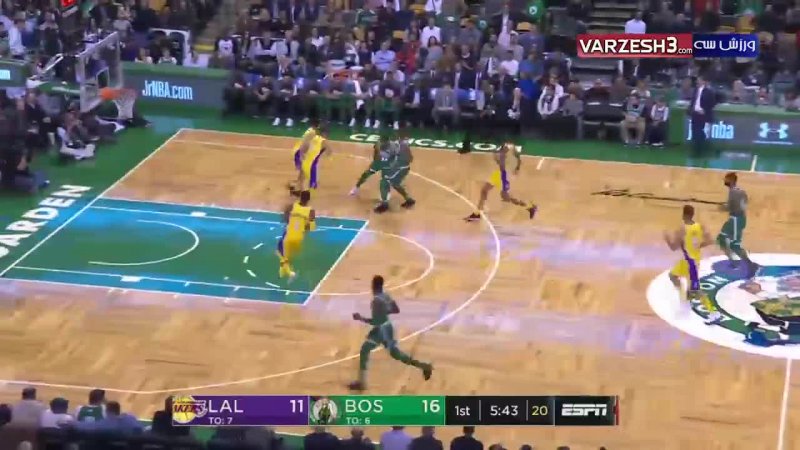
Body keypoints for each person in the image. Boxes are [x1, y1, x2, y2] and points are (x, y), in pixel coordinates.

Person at [348, 275, 433, 391]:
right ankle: (424, 366)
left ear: (373, 286)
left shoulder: (376, 301)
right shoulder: (385, 295)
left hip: (380, 331)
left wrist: (360, 318)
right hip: (388, 327)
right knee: (395, 354)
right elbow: (396, 310)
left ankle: (362, 383)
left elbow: (375, 322)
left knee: (365, 350)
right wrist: (384, 312)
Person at [664, 204, 721, 323]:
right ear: (692, 214)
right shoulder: (700, 226)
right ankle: (685, 298)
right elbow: (710, 240)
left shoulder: (682, 230)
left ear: (684, 215)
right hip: (691, 261)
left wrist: (667, 238)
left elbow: (673, 247)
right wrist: (698, 246)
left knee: (696, 290)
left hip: (690, 263)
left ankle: (713, 313)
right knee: (672, 275)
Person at [465, 141, 537, 221]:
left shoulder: (505, 149)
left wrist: (497, 160)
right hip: (502, 174)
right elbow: (517, 160)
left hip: (503, 175)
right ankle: (477, 214)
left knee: (505, 197)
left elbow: (502, 164)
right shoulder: (512, 148)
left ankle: (530, 207)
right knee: (484, 190)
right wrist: (516, 169)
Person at [717, 172, 759, 277]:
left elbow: (733, 208)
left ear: (731, 180)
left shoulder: (733, 193)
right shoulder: (740, 191)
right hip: (737, 219)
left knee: (735, 246)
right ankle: (734, 261)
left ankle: (751, 265)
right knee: (721, 238)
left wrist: (723, 207)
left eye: (726, 179)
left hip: (736, 220)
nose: (724, 181)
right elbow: (743, 203)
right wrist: (727, 206)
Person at [276, 190, 316, 281]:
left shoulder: (292, 206)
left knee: (281, 253)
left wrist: (291, 220)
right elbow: (311, 227)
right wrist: (304, 225)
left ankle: (289, 273)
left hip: (289, 235)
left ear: (300, 197)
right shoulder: (311, 211)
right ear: (309, 199)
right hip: (299, 238)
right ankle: (282, 273)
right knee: (289, 257)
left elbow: (285, 217)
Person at [374, 129, 415, 213]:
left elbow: (382, 158)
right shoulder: (400, 144)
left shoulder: (395, 146)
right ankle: (409, 200)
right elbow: (410, 158)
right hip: (403, 167)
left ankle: (384, 204)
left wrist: (378, 150)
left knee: (384, 181)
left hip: (401, 167)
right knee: (395, 184)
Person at [289, 122, 329, 195]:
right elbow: (305, 144)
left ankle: (297, 187)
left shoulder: (312, 133)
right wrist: (302, 154)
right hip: (301, 153)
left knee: (303, 172)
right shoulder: (313, 135)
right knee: (305, 173)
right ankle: (300, 189)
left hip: (300, 152)